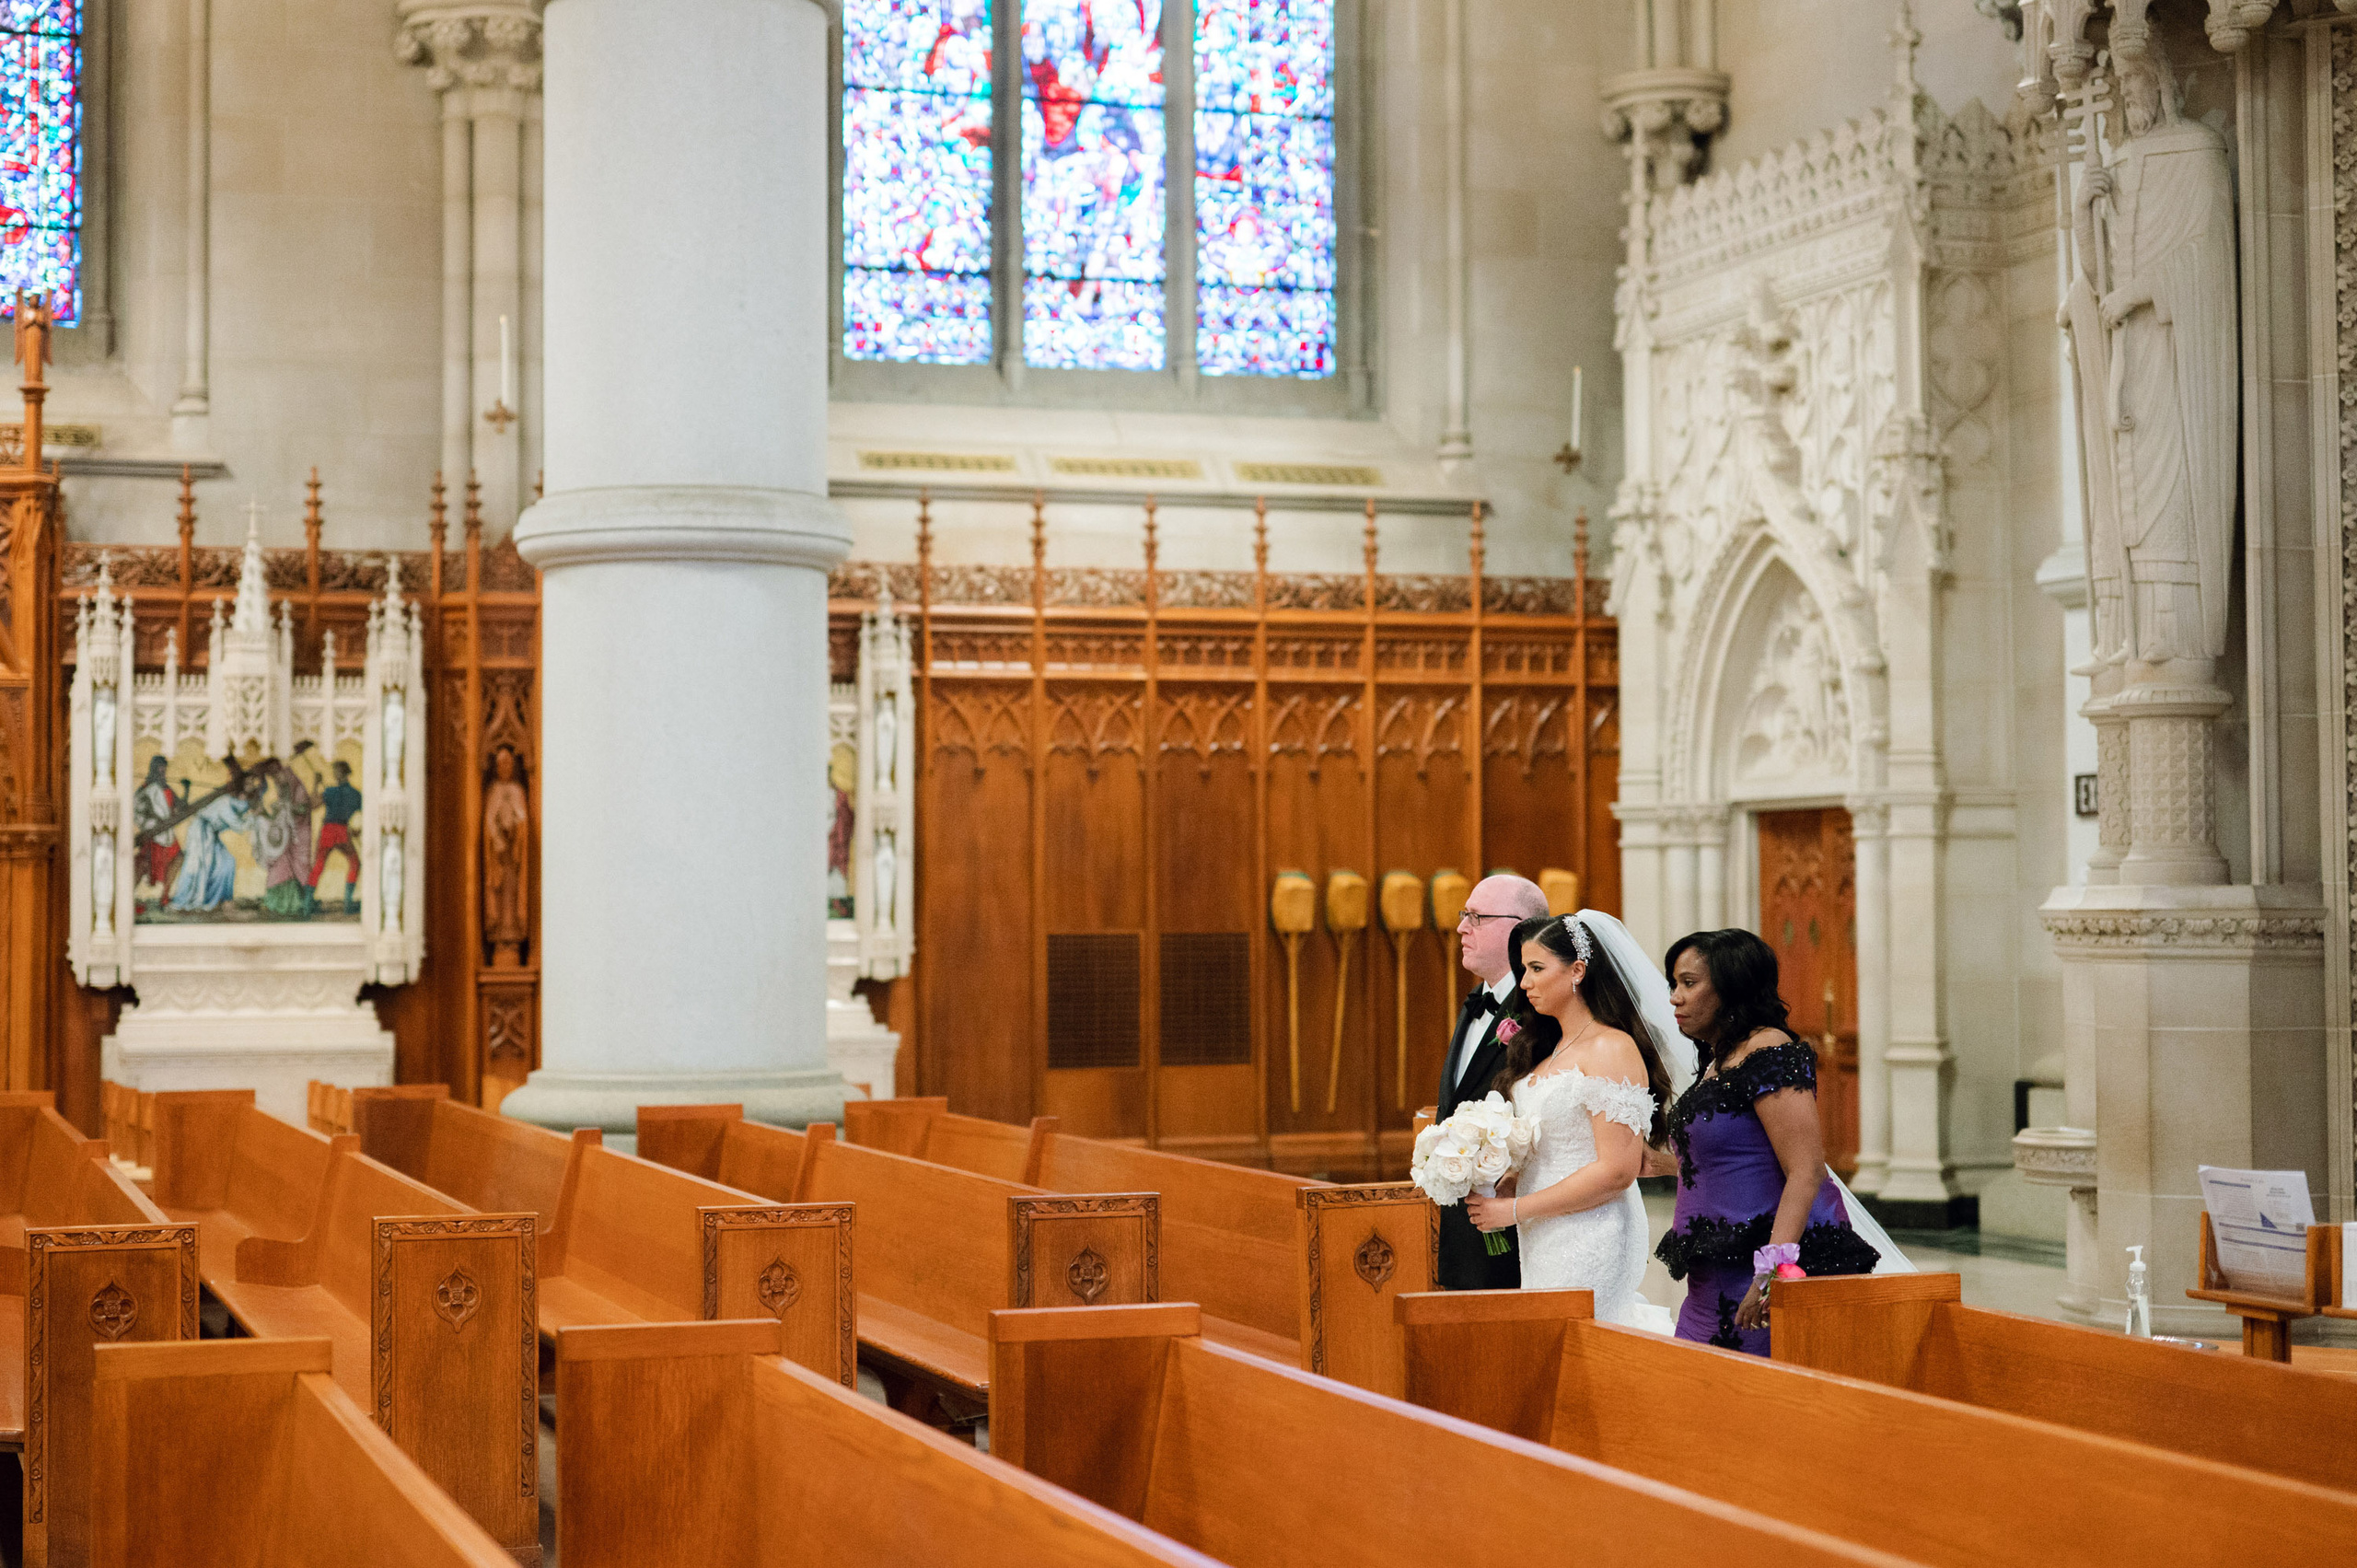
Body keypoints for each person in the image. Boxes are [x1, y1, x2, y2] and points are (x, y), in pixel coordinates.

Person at [1655, 929, 1884, 1353]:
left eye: (1689, 983)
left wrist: (1772, 1273)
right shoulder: (1719, 1058)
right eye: (1674, 984)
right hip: (1713, 1274)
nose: (1674, 997)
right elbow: (1724, 1161)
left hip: (1758, 1270)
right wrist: (1654, 1161)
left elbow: (1806, 1169)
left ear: (1731, 986)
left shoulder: (1769, 1051)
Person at [1462, 912, 1682, 1329]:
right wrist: (1508, 1173)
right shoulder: (1551, 1048)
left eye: (1536, 969)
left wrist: (1514, 1209)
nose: (1524, 983)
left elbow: (1618, 1169)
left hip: (1591, 1230)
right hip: (1544, 1231)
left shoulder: (1610, 1048)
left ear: (1577, 970)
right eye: (1523, 970)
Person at [1433, 873, 1549, 1289]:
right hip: (1462, 1228)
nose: (1462, 927)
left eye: (1477, 917)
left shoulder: (1542, 1013)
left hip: (1513, 1228)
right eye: (1464, 915)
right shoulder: (1475, 1003)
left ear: (1520, 928)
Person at [168, 773, 261, 913]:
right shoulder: (225, 802)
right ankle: (180, 902)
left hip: (211, 834)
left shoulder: (241, 801)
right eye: (248, 782)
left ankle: (216, 899)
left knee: (228, 861)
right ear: (240, 784)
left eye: (252, 783)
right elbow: (239, 826)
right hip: (200, 831)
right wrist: (253, 816)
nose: (251, 786)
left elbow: (245, 808)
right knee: (195, 867)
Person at [308, 760, 363, 911]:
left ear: (340, 774)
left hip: (329, 830)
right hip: (342, 831)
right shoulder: (356, 794)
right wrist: (359, 830)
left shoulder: (330, 791)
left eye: (335, 771)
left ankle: (307, 904)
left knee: (318, 865)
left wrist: (316, 783)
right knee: (355, 864)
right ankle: (347, 904)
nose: (334, 774)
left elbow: (313, 804)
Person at [131, 754, 181, 898]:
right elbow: (136, 811)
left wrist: (187, 788)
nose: (162, 771)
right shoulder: (145, 789)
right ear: (153, 769)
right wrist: (151, 822)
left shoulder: (167, 789)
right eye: (159, 768)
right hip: (153, 834)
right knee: (144, 865)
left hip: (167, 834)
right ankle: (129, 898)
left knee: (178, 858)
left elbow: (181, 806)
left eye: (164, 768)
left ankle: (165, 896)